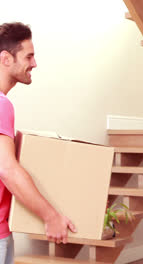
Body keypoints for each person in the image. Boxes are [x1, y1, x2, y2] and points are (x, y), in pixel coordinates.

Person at [0, 22, 76, 263]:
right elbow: (7, 170)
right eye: (29, 56)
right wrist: (50, 216)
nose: (34, 64)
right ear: (5, 59)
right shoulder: (2, 105)